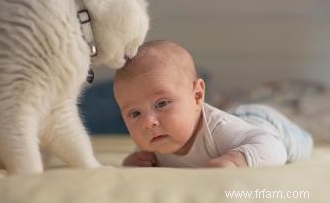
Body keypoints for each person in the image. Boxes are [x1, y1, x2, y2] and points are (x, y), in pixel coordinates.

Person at [113, 40, 313, 168]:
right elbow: (143, 157)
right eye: (135, 114)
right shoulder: (155, 141)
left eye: (162, 103)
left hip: (265, 124)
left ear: (197, 96)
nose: (148, 122)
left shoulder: (219, 131)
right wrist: (133, 162)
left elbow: (274, 149)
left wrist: (236, 161)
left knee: (301, 147)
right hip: (235, 119)